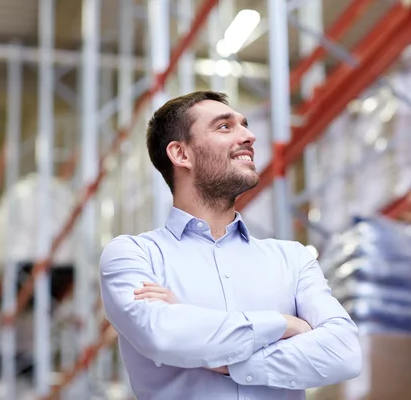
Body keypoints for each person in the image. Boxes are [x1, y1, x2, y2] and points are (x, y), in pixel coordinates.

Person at [99, 91, 362, 400]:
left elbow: (344, 353)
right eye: (225, 127)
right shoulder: (134, 255)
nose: (249, 136)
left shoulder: (292, 258)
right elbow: (164, 337)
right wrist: (286, 324)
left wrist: (225, 360)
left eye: (244, 125)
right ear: (181, 154)